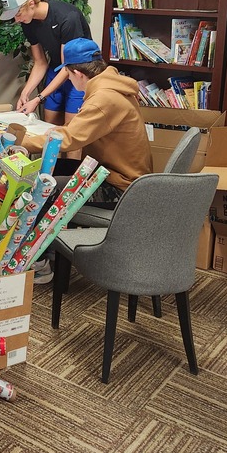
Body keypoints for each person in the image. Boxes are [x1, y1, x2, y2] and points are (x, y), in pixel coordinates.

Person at [30, 37, 152, 284]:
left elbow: (70, 138)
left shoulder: (103, 99)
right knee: (50, 171)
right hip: (114, 173)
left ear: (77, 74)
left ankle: (41, 265)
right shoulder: (112, 85)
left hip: (119, 186)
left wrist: (23, 140)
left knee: (41, 189)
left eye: (67, 75)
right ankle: (52, 251)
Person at [0, 0, 92, 125]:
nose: (16, 20)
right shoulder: (27, 23)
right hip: (56, 69)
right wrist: (26, 92)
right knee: (49, 127)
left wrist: (39, 98)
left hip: (78, 73)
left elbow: (67, 67)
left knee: (71, 132)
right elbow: (40, 62)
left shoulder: (67, 18)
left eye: (18, 13)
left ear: (31, 3)